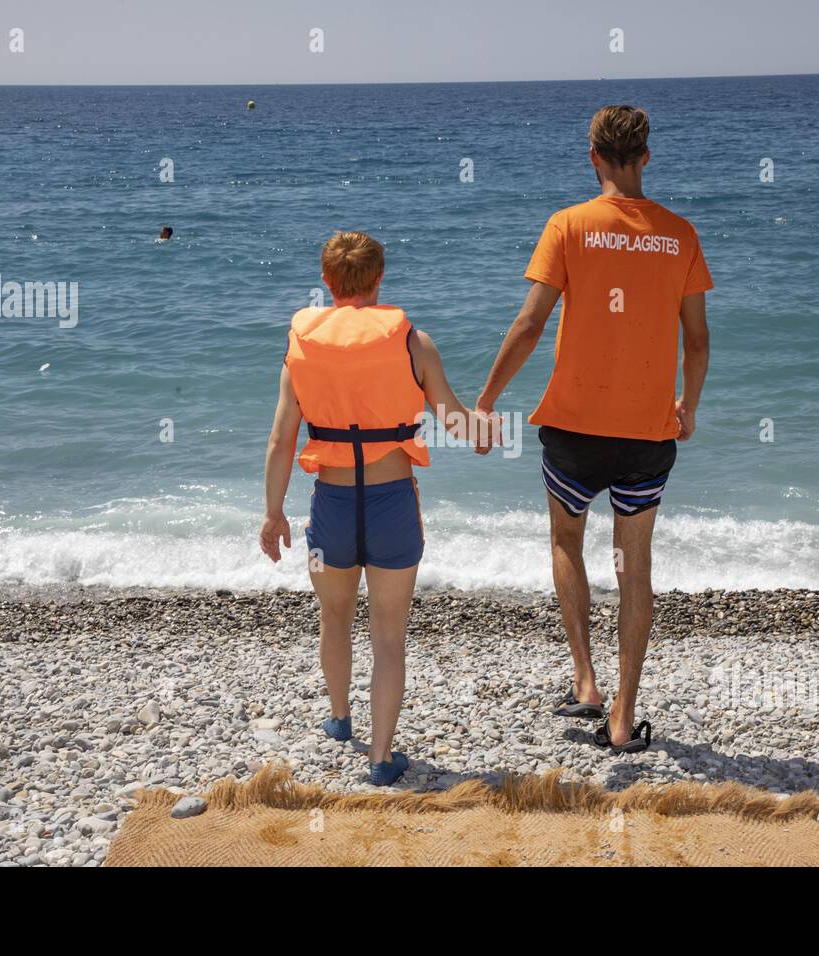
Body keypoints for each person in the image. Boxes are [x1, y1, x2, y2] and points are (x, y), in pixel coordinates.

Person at [476, 105, 713, 754]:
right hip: (646, 434)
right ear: (645, 158)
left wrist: (486, 400)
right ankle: (621, 718)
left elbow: (528, 326)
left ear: (594, 160)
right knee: (635, 569)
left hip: (574, 431)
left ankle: (586, 681)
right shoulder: (679, 235)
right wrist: (687, 405)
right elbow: (697, 342)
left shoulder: (570, 225)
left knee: (567, 542)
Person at [260, 230, 491, 785]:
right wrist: (487, 426)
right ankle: (381, 759)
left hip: (330, 507)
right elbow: (460, 425)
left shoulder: (301, 350)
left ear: (327, 282)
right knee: (389, 634)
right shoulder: (414, 343)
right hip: (392, 505)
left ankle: (340, 719)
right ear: (380, 279)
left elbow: (280, 442)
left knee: (333, 616)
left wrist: (273, 514)